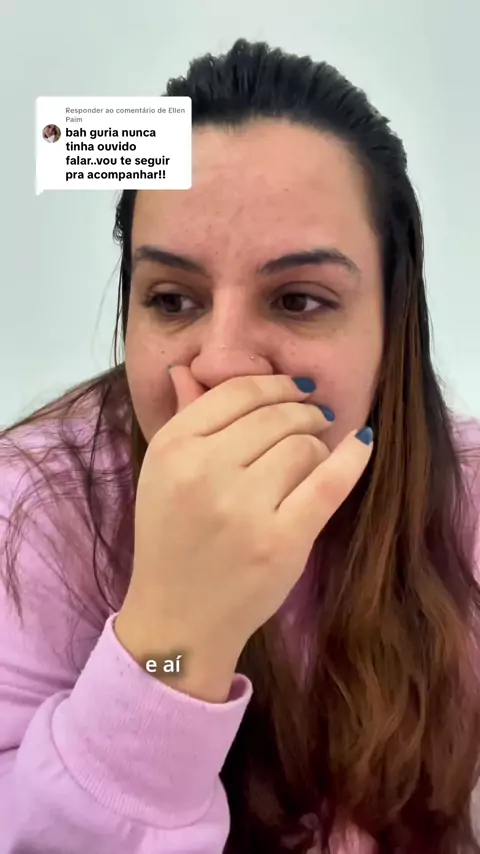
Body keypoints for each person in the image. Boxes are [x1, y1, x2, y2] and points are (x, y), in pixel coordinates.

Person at [1, 37, 480, 854]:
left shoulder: (464, 504)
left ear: (393, 323)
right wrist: (174, 640)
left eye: (298, 300)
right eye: (172, 299)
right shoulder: (31, 515)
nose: (221, 362)